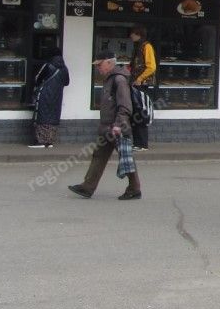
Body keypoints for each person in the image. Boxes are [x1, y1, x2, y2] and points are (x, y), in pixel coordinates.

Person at [68, 51, 141, 200]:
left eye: (100, 64)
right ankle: (87, 187)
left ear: (109, 62)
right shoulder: (110, 79)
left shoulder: (119, 79)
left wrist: (118, 125)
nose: (98, 68)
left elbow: (125, 105)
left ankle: (134, 189)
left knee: (126, 159)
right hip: (107, 128)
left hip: (117, 128)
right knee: (99, 156)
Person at [29, 48, 69, 148]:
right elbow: (67, 82)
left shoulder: (48, 65)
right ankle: (49, 141)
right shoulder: (64, 68)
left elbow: (37, 79)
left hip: (44, 94)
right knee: (53, 116)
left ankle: (40, 141)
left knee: (42, 115)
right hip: (57, 96)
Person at [128, 26, 156, 150]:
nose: (131, 36)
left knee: (141, 113)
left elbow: (151, 67)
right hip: (136, 84)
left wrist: (140, 79)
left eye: (132, 34)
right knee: (135, 112)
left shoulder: (146, 46)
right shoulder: (138, 47)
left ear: (138, 34)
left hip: (142, 85)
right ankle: (137, 143)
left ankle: (142, 143)